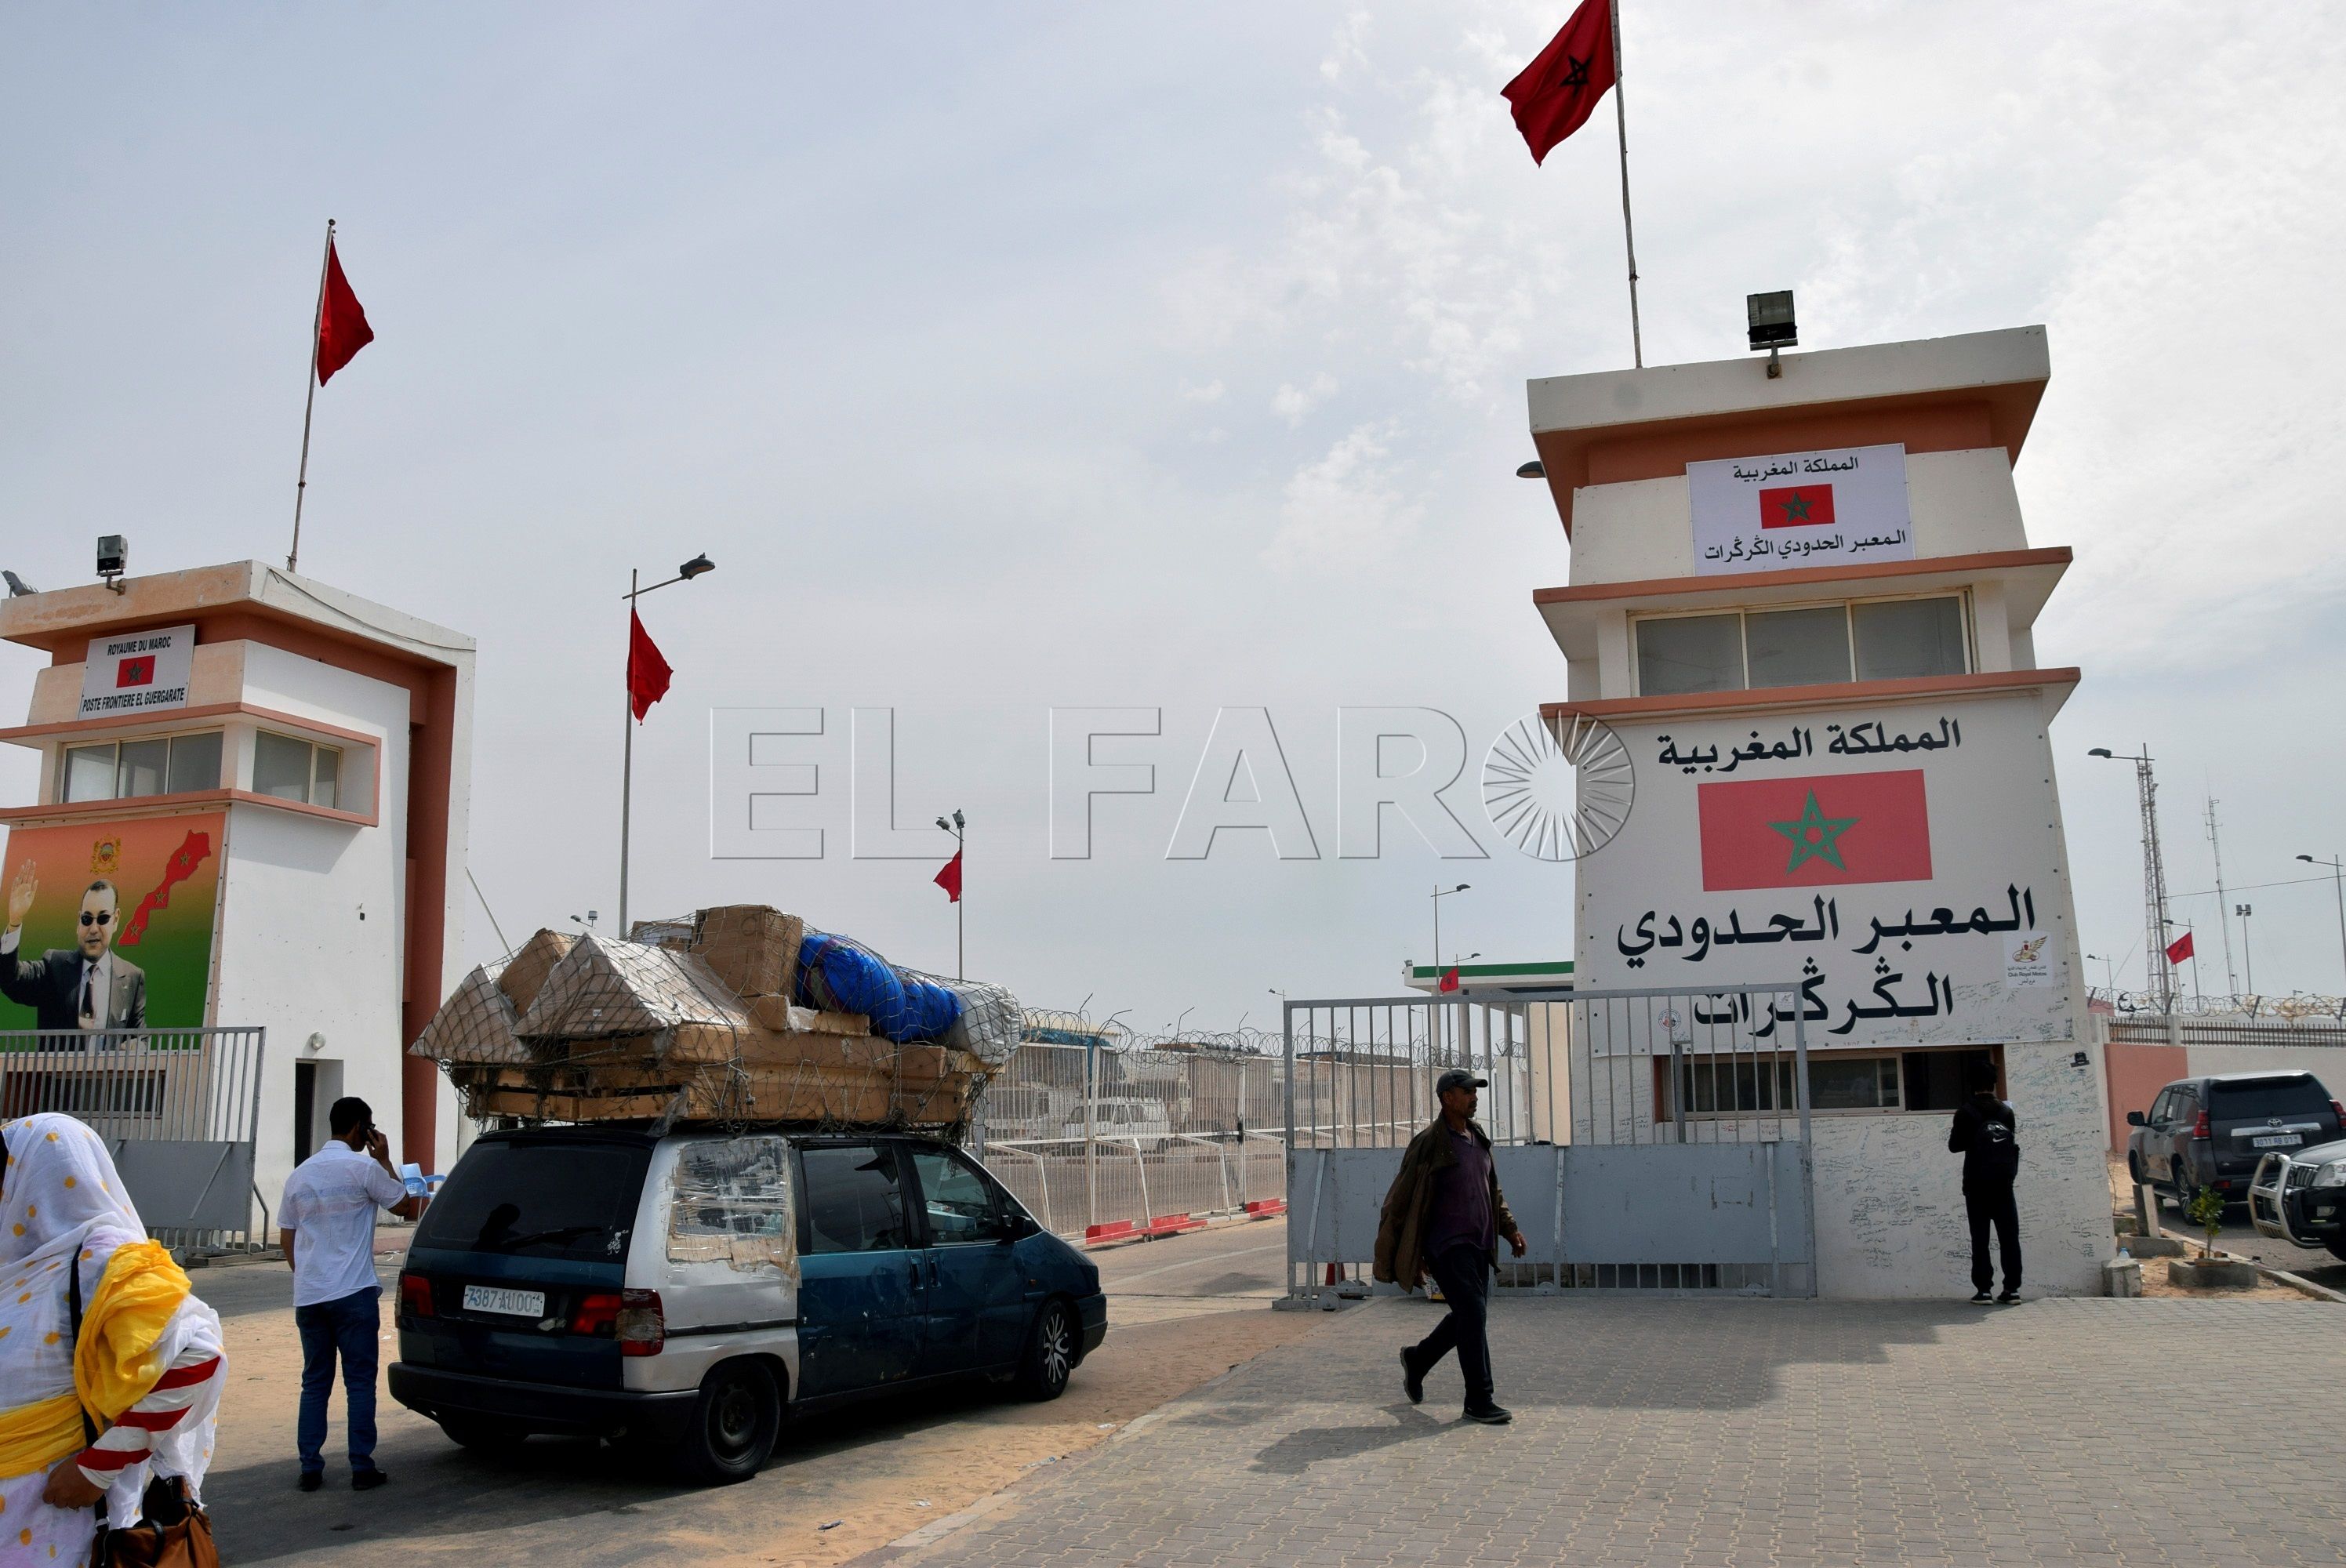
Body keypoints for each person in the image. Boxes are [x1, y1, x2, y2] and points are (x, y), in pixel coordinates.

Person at [0, 1113, 226, 1562]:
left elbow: (199, 1355)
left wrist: (98, 1467)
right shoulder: (20, 1267)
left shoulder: (101, 1257)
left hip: (65, 1523)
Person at [280, 1096, 421, 1490]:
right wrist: (386, 1160)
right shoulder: (364, 1168)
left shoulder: (300, 1174)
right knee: (358, 1382)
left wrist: (308, 1275)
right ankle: (362, 1467)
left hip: (310, 1297)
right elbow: (405, 1206)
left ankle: (310, 1468)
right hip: (353, 1293)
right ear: (362, 1128)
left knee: (315, 1382)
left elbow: (286, 1236)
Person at [1373, 1069, 1527, 1425]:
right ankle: (1479, 1399)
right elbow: (1401, 1199)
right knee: (1474, 1315)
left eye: (1475, 1092)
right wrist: (1407, 1252)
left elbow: (1493, 1190)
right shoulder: (1429, 1143)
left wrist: (1510, 1229)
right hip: (1446, 1246)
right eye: (1468, 1092)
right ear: (1447, 1098)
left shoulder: (1478, 1137)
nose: (1474, 1098)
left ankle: (1418, 1359)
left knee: (1466, 1317)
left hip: (1479, 1245)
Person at [1, 866, 148, 1035]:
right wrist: (15, 921)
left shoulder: (133, 978)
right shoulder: (54, 966)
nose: (93, 928)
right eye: (86, 919)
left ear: (115, 920)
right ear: (78, 922)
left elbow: (140, 1037)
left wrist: (135, 1046)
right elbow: (10, 979)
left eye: (103, 918)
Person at [1947, 1063, 2022, 1303]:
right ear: (1994, 1084)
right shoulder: (2006, 1113)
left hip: (1976, 1184)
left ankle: (1984, 1290)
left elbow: (1954, 1146)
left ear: (1972, 1085)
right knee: (2009, 1237)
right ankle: (2012, 1289)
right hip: (2003, 1184)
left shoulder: (1965, 1112)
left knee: (1980, 1238)